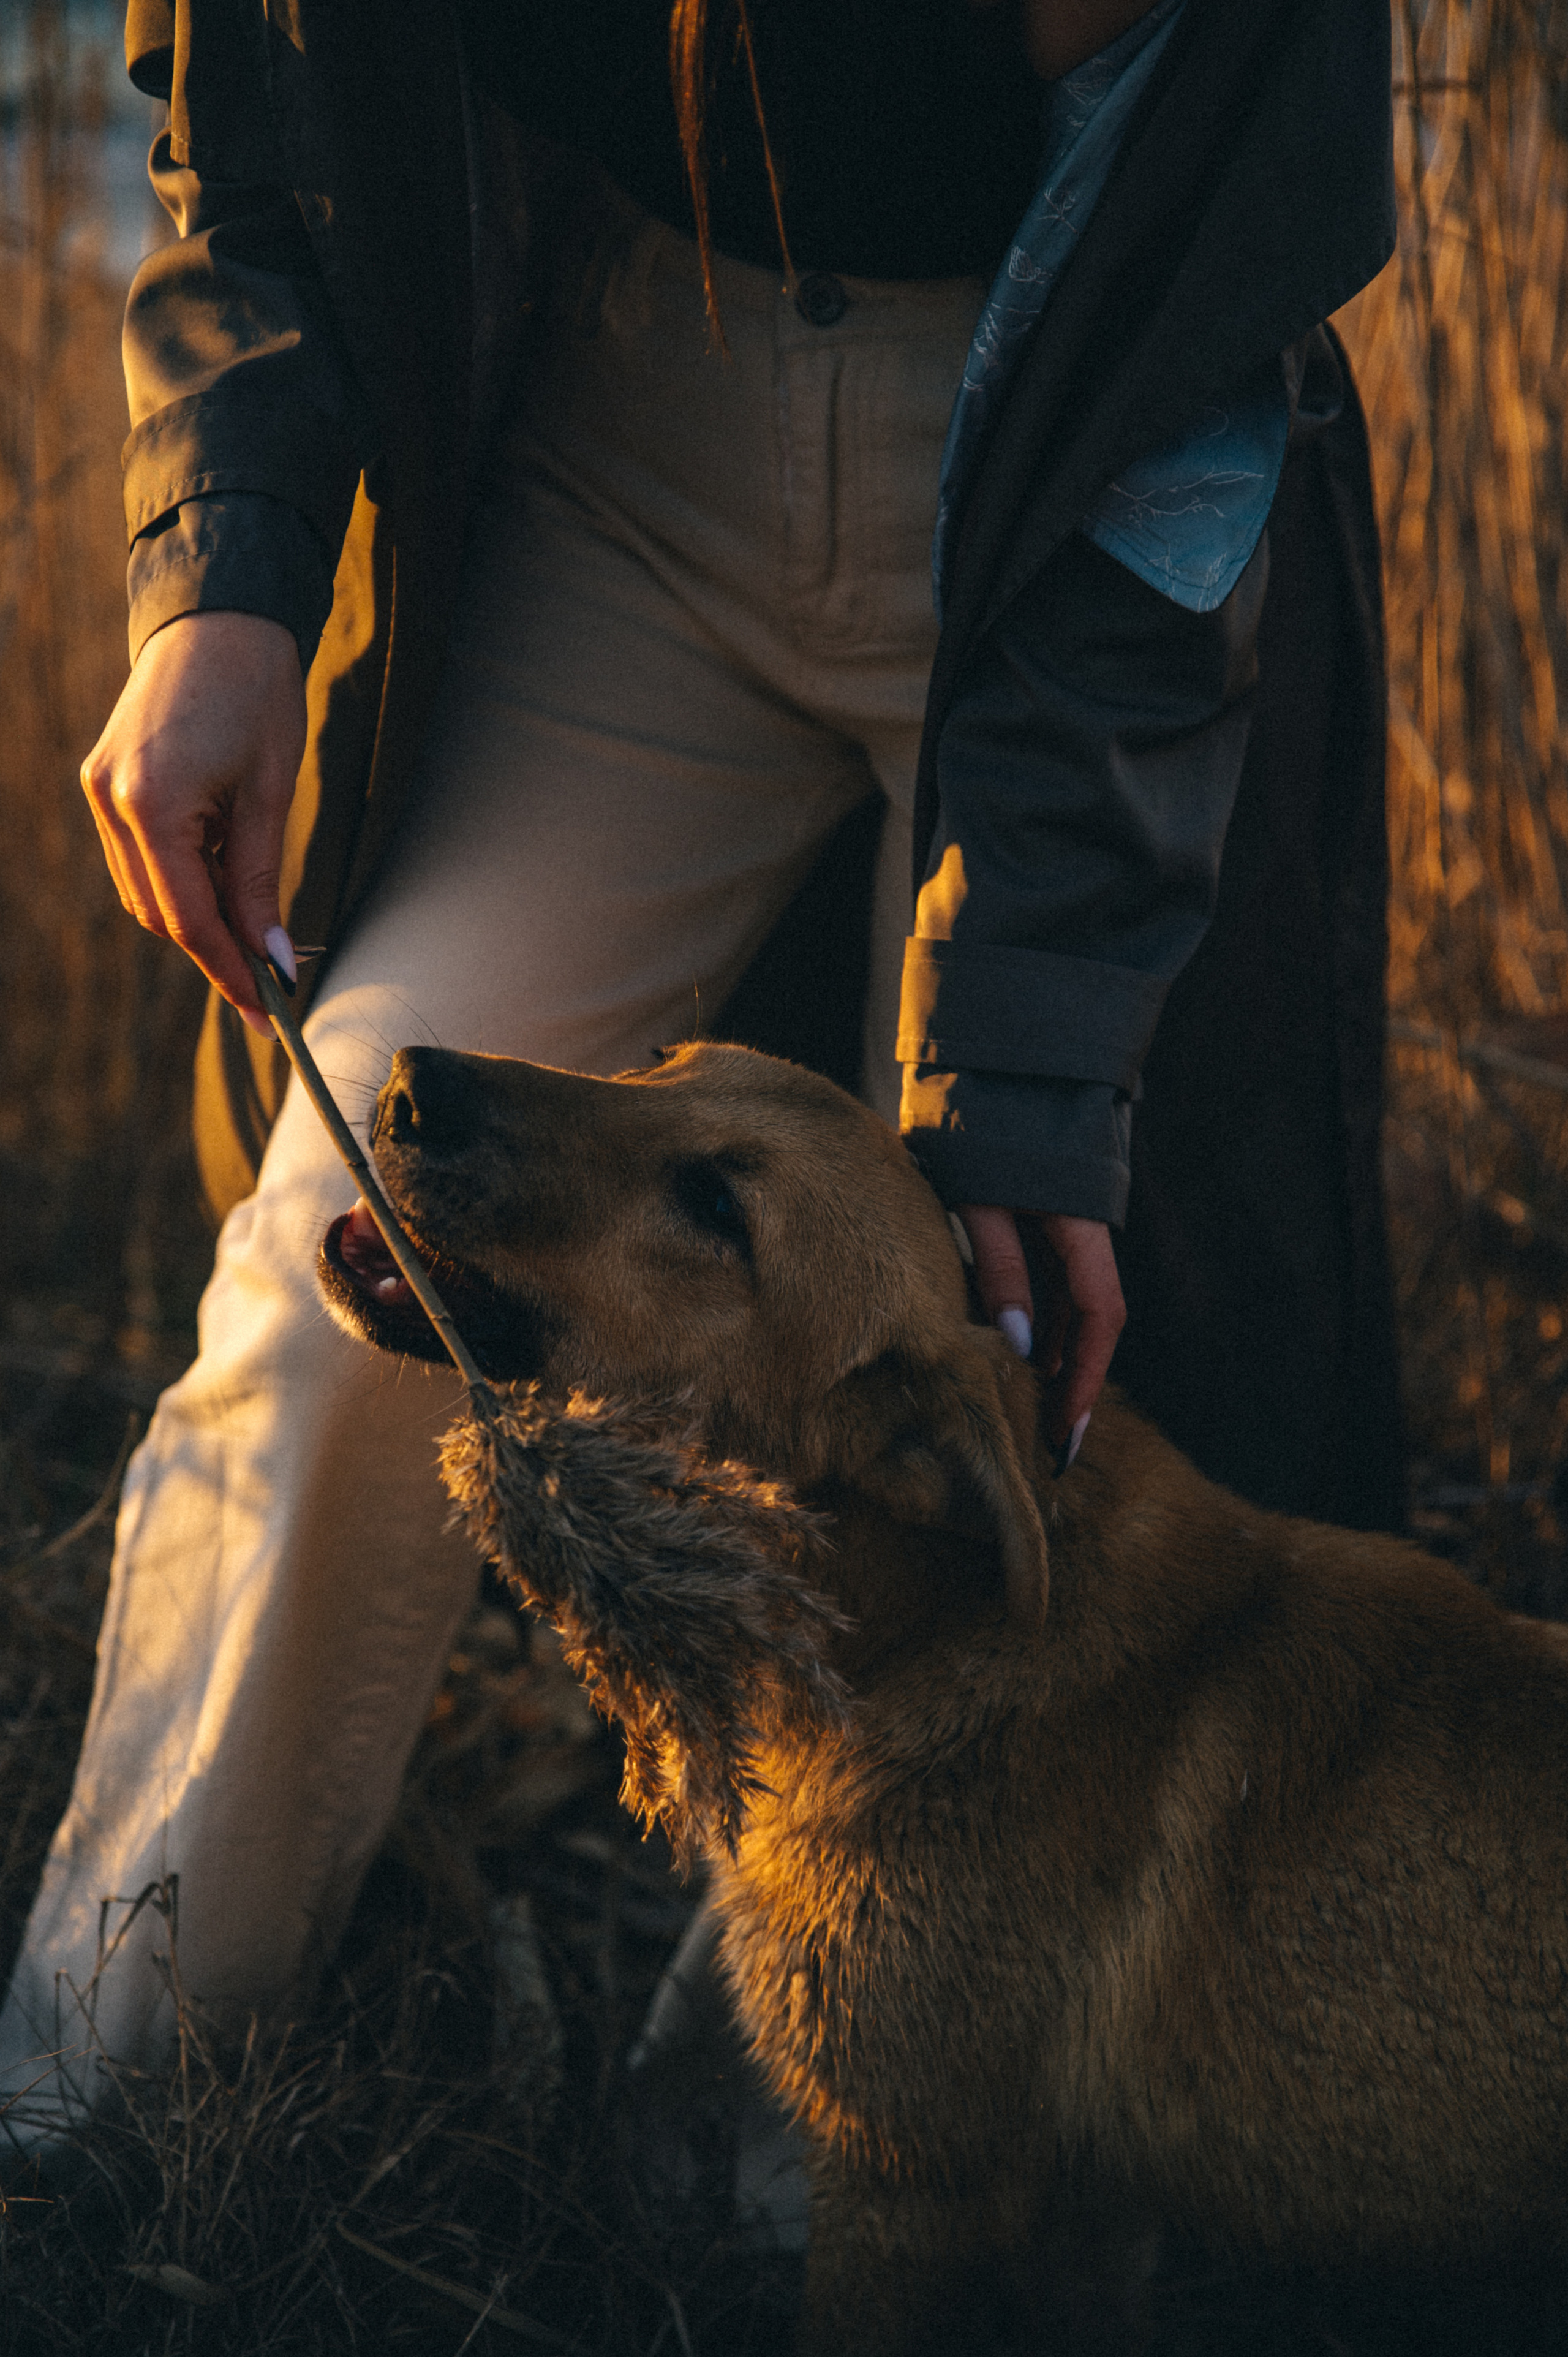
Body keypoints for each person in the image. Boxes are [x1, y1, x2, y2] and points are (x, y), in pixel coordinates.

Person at [1, 0, 1400, 2143]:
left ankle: (797, 2134)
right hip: (619, 454)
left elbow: (1199, 253)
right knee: (334, 1260)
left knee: (1020, 1384)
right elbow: (261, 83)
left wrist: (1036, 1040)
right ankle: (102, 2097)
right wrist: (232, 565)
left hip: (1075, 526)